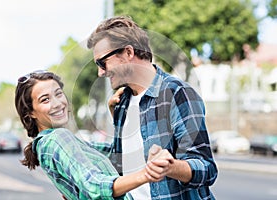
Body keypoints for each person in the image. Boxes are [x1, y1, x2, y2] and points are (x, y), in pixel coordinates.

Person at [87, 16, 218, 199]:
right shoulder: (121, 103)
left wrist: (171, 167)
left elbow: (207, 168)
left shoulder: (177, 93)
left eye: (102, 63)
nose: (100, 72)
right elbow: (122, 165)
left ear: (128, 53)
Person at [14, 70, 174, 200]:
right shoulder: (58, 138)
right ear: (30, 113)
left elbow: (116, 156)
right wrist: (147, 174)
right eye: (45, 100)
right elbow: (94, 186)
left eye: (58, 94)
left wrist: (116, 116)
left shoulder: (45, 144)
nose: (57, 104)